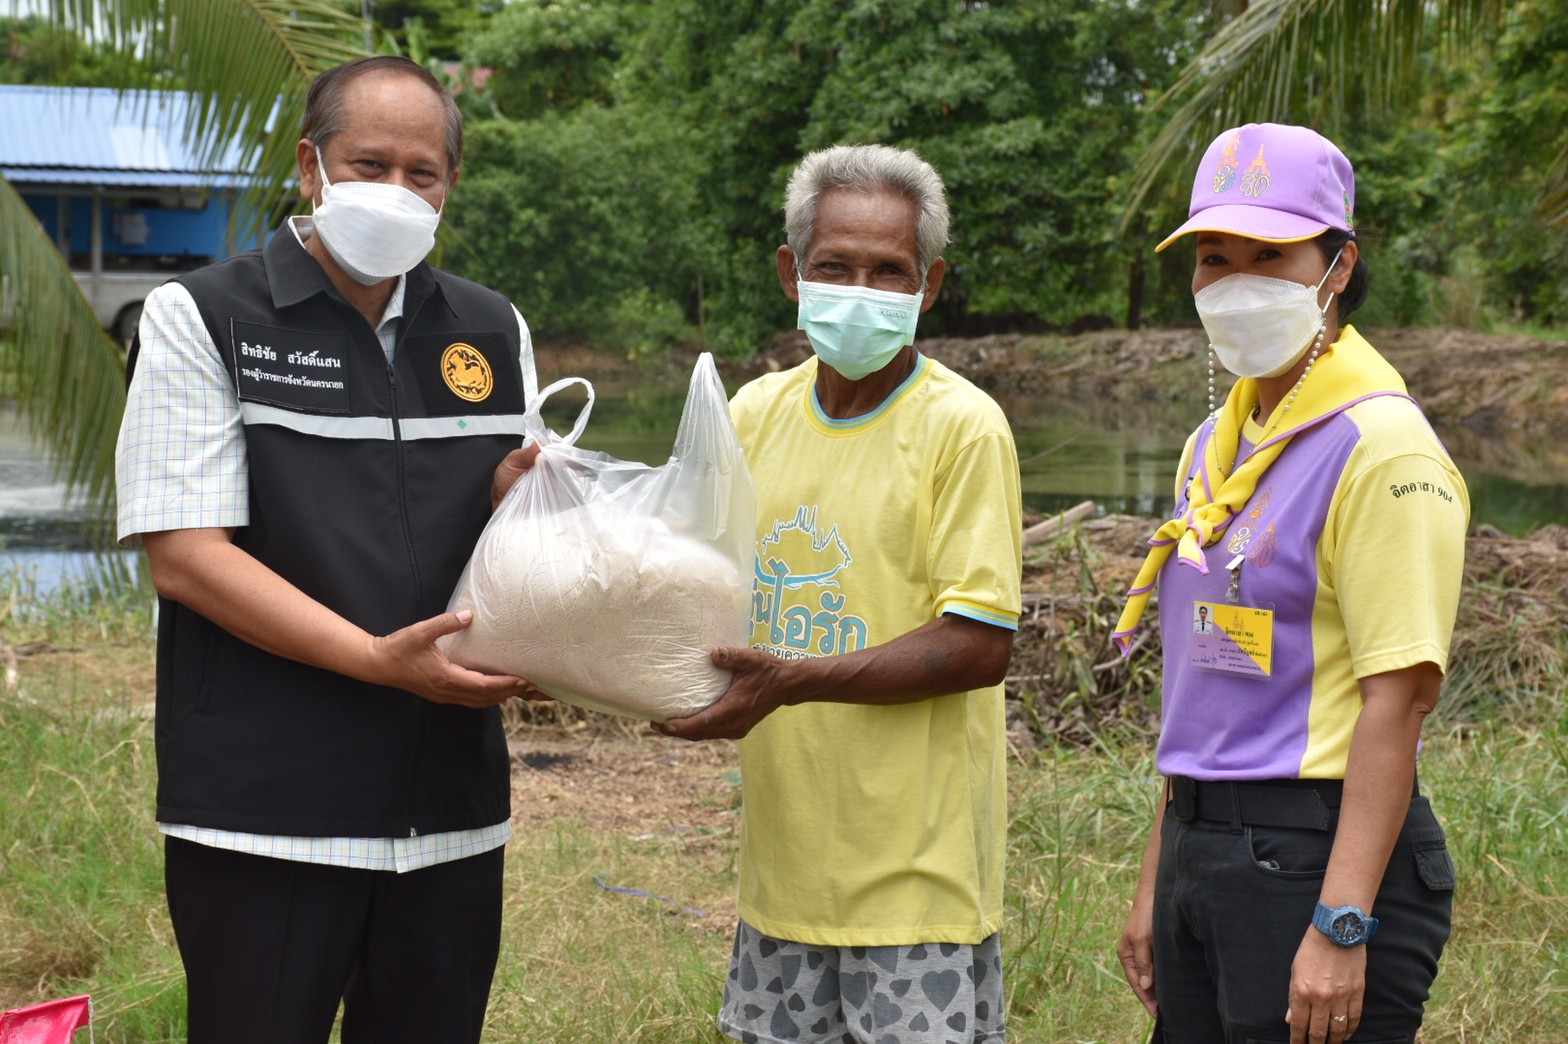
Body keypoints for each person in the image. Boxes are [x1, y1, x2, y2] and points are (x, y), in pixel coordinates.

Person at [114, 56, 543, 1043]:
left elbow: (493, 523)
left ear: (448, 186)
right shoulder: (207, 318)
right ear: (311, 168)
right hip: (263, 813)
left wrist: (526, 509)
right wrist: (374, 661)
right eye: (369, 163)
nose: (395, 191)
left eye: (421, 172)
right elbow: (185, 554)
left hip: (449, 812)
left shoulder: (488, 326)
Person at [657, 144, 1023, 1044]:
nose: (860, 289)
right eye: (835, 266)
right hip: (782, 877)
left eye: (889, 270)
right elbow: (676, 566)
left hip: (916, 887)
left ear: (927, 287)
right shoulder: (754, 415)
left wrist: (795, 678)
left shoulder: (962, 429)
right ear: (792, 273)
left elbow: (980, 643)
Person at [1112, 123, 1467, 1044]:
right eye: (1214, 258)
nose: (1235, 282)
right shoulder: (1215, 446)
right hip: (1205, 845)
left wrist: (1342, 925)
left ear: (1337, 265)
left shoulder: (1380, 448)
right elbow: (1204, 688)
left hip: (1314, 856)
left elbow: (1400, 698)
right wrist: (1162, 873)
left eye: (1270, 254)